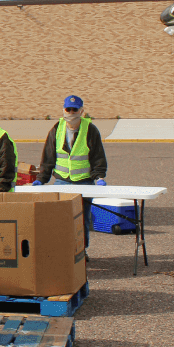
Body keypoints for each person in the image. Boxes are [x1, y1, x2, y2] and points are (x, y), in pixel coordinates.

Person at [33, 94, 108, 249]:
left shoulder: (90, 130)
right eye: (68, 109)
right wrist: (41, 178)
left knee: (83, 219)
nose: (71, 113)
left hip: (85, 181)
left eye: (75, 110)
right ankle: (64, 251)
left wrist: (99, 177)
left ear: (81, 111)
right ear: (63, 110)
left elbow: (97, 156)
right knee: (61, 219)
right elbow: (48, 157)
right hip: (62, 181)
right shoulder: (56, 129)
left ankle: (82, 252)